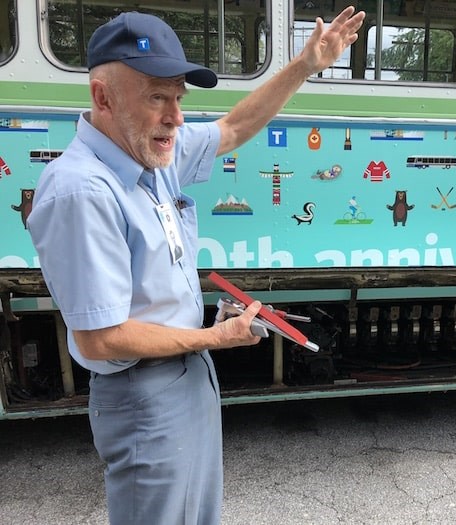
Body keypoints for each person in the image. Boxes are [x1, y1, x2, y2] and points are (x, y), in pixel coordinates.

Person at [27, 6, 365, 525]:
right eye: (158, 98)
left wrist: (304, 65)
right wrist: (216, 338)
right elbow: (101, 338)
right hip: (143, 393)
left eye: (179, 98)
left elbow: (232, 127)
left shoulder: (149, 154)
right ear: (103, 98)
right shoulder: (81, 191)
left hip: (185, 377)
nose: (176, 118)